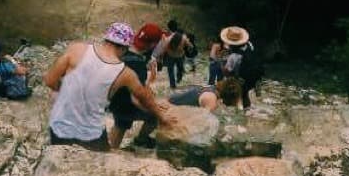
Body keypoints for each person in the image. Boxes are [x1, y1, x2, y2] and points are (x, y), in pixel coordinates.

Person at [44, 22, 176, 151]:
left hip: (60, 124)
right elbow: (143, 98)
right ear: (125, 47)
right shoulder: (125, 73)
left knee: (62, 159)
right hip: (90, 131)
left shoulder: (76, 48)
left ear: (106, 38)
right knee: (100, 160)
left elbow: (50, 81)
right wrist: (162, 117)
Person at [108, 22, 166, 149]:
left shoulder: (124, 51)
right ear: (152, 44)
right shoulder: (138, 64)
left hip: (116, 101)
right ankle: (141, 140)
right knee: (153, 118)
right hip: (127, 105)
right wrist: (154, 109)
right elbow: (137, 98)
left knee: (120, 125)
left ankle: (111, 150)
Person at [220, 26, 262, 109]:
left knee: (236, 96)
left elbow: (227, 71)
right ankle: (247, 108)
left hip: (241, 79)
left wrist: (222, 64)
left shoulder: (234, 56)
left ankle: (237, 109)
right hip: (254, 76)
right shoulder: (250, 45)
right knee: (245, 94)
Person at [168, 77, 243, 113]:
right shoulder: (211, 99)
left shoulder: (212, 87)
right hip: (169, 109)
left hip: (170, 101)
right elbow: (203, 120)